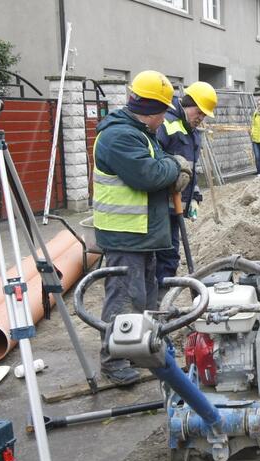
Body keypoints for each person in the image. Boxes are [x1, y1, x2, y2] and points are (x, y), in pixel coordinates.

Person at [92, 70, 192, 385]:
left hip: (142, 234)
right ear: (149, 109)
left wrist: (169, 166)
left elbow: (160, 164)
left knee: (147, 298)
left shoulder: (140, 133)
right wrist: (176, 166)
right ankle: (114, 361)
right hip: (125, 237)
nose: (164, 118)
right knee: (124, 299)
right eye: (162, 111)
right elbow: (150, 175)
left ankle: (143, 349)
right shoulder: (119, 136)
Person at [155, 81, 217, 288]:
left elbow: (190, 169)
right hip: (161, 206)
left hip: (177, 206)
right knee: (166, 257)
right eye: (198, 113)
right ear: (187, 104)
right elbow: (156, 166)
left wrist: (195, 197)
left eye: (204, 115)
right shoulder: (167, 125)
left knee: (171, 255)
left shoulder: (192, 132)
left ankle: (162, 300)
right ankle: (159, 304)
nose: (201, 118)